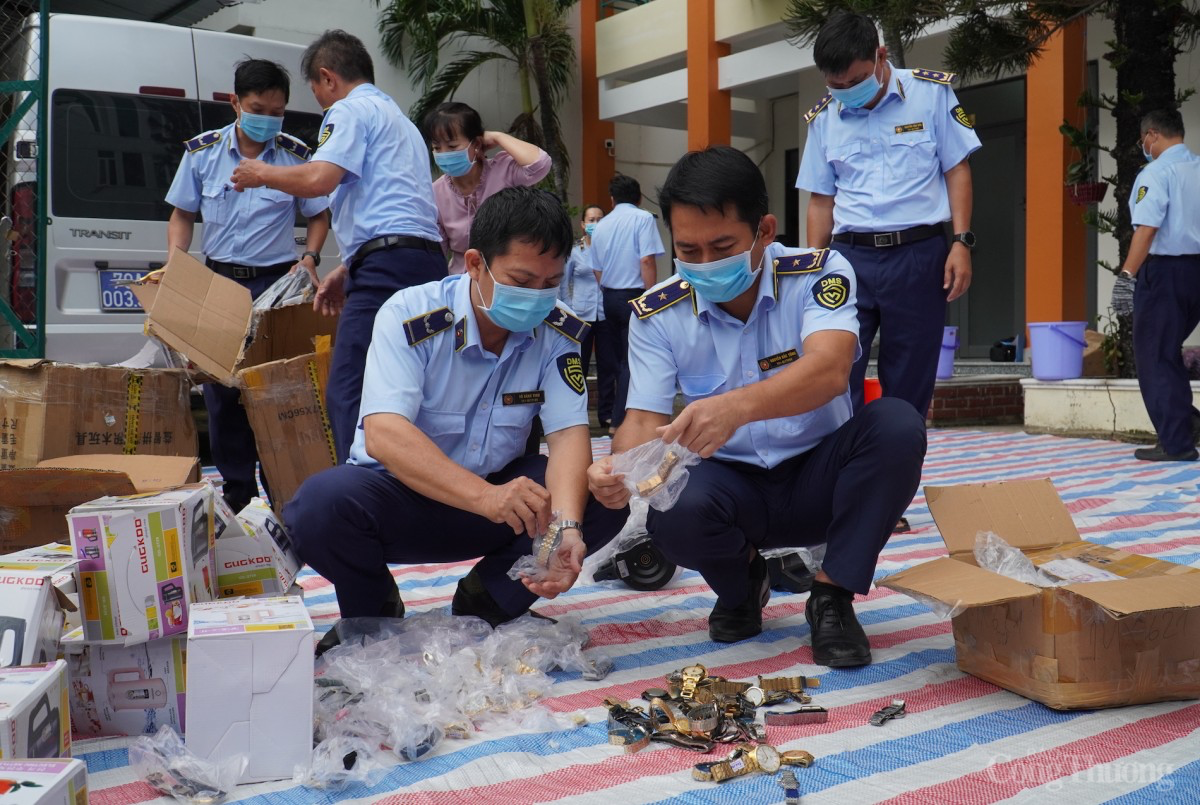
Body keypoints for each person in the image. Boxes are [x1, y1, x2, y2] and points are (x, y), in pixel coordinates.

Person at [587, 147, 927, 667]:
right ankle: (743, 584)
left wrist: (736, 408)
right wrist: (616, 471)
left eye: (722, 245)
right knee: (669, 508)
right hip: (731, 488)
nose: (705, 264)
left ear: (765, 231)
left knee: (897, 426)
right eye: (688, 250)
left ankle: (832, 596)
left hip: (821, 478)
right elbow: (642, 419)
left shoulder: (820, 272)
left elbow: (831, 369)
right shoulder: (657, 313)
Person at [284, 187, 628, 643]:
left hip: (499, 505)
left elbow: (567, 435)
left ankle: (489, 600)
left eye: (551, 284)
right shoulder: (410, 315)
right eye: (522, 281)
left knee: (601, 495)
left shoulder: (559, 329)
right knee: (319, 506)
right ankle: (373, 611)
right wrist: (485, 498)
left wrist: (565, 529)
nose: (538, 298)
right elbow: (384, 435)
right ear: (474, 264)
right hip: (405, 499)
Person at [230, 30, 445, 464]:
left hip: (386, 270)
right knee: (411, 385)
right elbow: (398, 209)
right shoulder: (400, 121)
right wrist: (346, 269)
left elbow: (318, 180)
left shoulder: (348, 111)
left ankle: (360, 488)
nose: (322, 106)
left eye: (317, 95)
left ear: (328, 78)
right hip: (422, 262)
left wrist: (261, 173)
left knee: (350, 386)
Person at [165, 57, 331, 513]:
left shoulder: (295, 156)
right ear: (235, 102)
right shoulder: (203, 153)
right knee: (223, 395)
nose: (267, 120)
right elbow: (182, 213)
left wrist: (310, 257)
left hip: (278, 286)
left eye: (277, 111)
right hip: (221, 282)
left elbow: (319, 214)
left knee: (277, 392)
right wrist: (177, 266)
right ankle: (239, 497)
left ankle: (287, 495)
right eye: (258, 108)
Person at [796, 12, 980, 419]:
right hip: (847, 259)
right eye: (835, 84)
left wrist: (961, 242)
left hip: (917, 256)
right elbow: (820, 200)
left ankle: (897, 478)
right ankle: (843, 477)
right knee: (833, 377)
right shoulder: (824, 117)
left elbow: (957, 169)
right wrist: (814, 265)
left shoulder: (931, 93)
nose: (845, 91)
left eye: (855, 81)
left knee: (908, 384)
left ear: (880, 56)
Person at [1111, 108, 1200, 462]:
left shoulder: (1156, 172)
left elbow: (1146, 229)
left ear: (1151, 136)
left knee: (1154, 356)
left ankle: (1176, 444)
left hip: (1165, 274)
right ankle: (1189, 425)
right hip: (1196, 273)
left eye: (1143, 140)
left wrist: (1126, 277)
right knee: (1169, 352)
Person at [424, 102, 552, 275]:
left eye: (452, 146)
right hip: (462, 285)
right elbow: (437, 251)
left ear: (476, 144)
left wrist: (498, 137)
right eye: (437, 148)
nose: (444, 154)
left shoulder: (503, 170)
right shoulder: (435, 192)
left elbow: (540, 164)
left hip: (510, 279)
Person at [590, 174, 665, 429]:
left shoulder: (601, 224)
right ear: (639, 197)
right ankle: (621, 421)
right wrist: (651, 296)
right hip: (635, 295)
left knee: (616, 360)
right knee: (633, 360)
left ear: (612, 200)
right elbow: (646, 260)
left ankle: (614, 415)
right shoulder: (643, 218)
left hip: (609, 296)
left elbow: (596, 268)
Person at [559, 205, 617, 428]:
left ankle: (606, 413)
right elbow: (564, 285)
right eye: (591, 219)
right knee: (578, 365)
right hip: (580, 316)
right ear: (583, 224)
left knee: (607, 366)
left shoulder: (609, 249)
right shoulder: (575, 252)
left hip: (604, 313)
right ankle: (576, 414)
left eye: (600, 219)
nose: (595, 223)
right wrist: (568, 312)